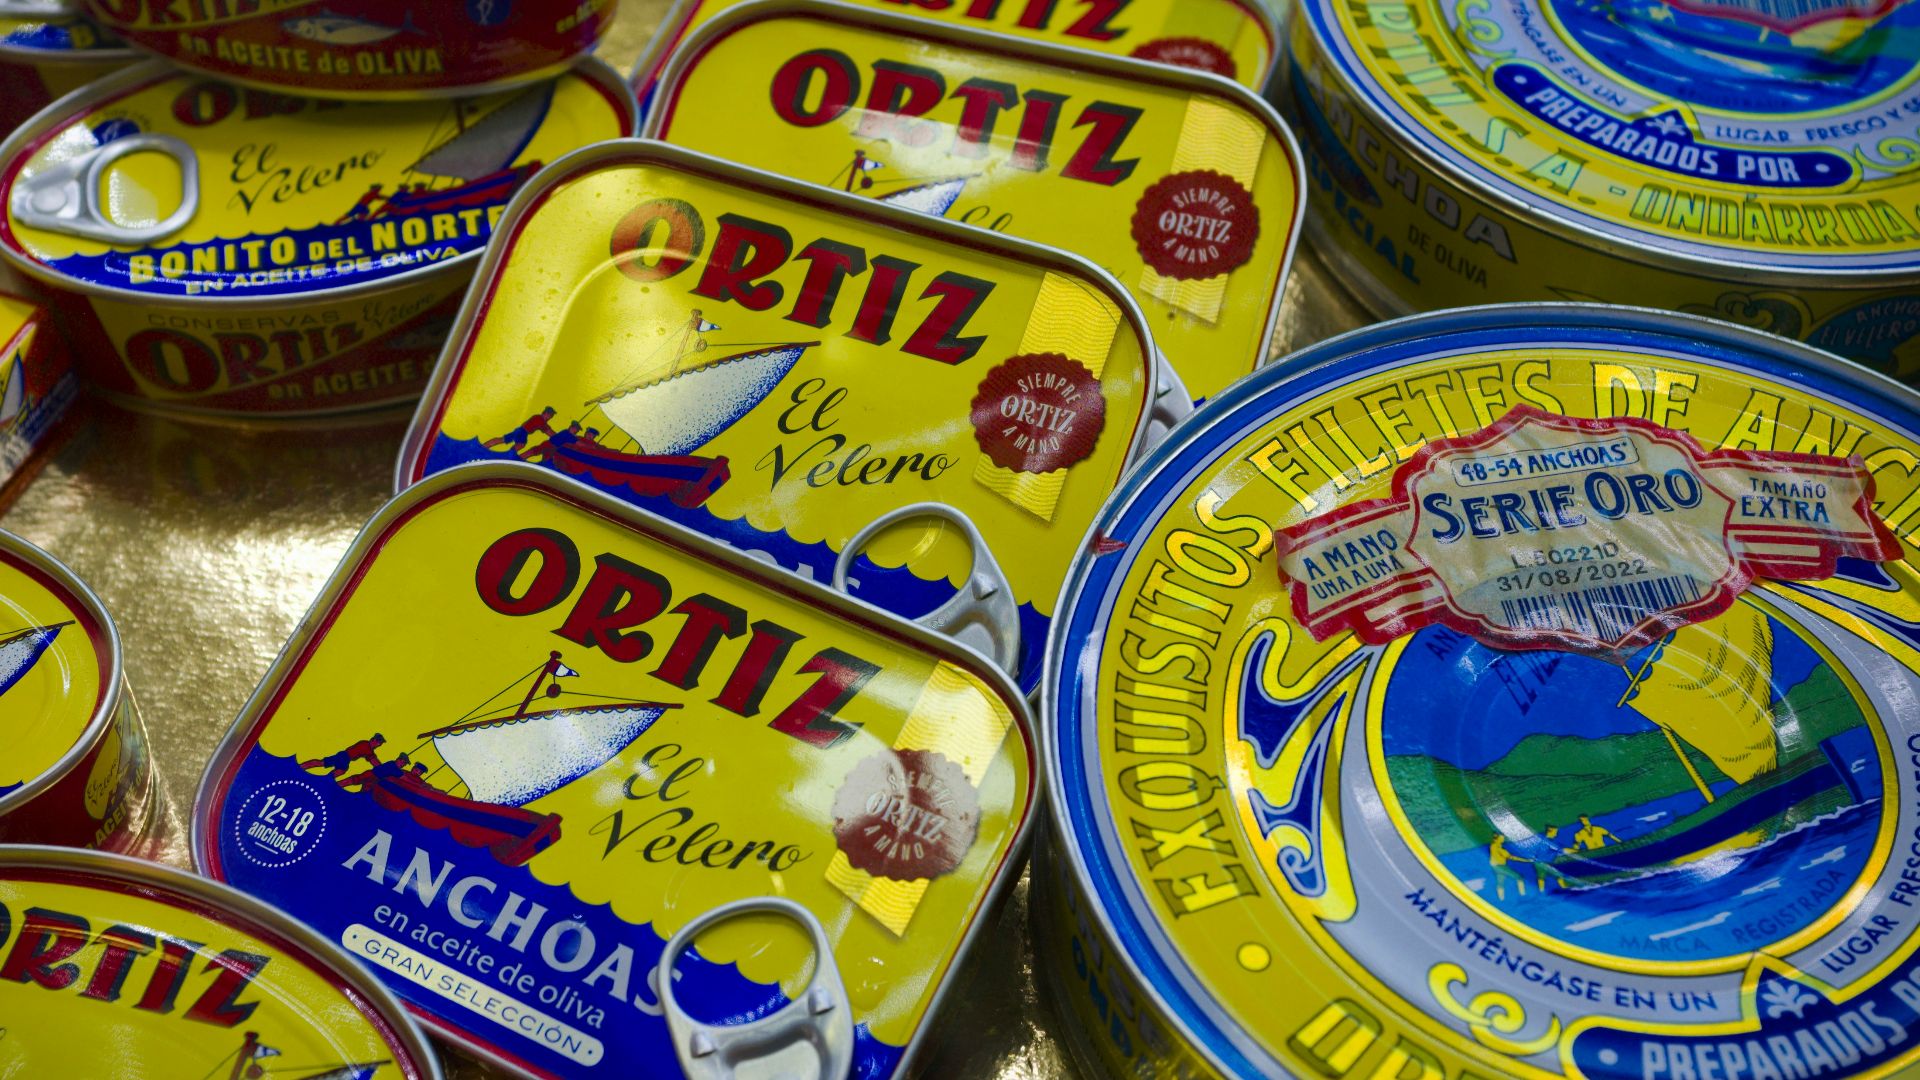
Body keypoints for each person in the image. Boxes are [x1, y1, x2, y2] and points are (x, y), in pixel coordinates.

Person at [300, 733, 385, 776]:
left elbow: (372, 759)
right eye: (378, 743)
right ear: (374, 740)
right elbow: (374, 760)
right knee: (326, 764)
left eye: (379, 744)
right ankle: (302, 767)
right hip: (344, 757)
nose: (378, 745)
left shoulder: (366, 745)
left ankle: (303, 767)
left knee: (335, 768)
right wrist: (383, 769)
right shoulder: (366, 746)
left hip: (344, 757)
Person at [484, 407, 557, 454]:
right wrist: (558, 437)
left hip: (521, 431)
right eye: (550, 415)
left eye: (551, 416)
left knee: (506, 440)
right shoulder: (539, 419)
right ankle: (509, 454)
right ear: (546, 413)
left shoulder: (538, 418)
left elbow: (547, 430)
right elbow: (548, 431)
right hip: (522, 432)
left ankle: (485, 447)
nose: (550, 417)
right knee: (520, 444)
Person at [1490, 835, 1531, 900]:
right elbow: (1512, 857)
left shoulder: (1493, 846)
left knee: (1500, 882)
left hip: (1495, 867)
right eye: (1502, 838)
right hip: (1500, 866)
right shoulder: (1499, 849)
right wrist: (1526, 860)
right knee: (1519, 877)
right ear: (1498, 839)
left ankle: (1501, 899)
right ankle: (1523, 895)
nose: (1503, 839)